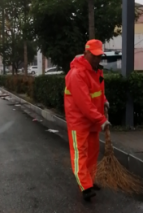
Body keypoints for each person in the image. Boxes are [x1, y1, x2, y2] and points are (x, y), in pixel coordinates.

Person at [64, 39, 111, 201]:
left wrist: (104, 100)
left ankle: (89, 180)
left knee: (92, 152)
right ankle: (85, 186)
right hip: (79, 121)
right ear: (86, 53)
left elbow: (97, 91)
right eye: (94, 56)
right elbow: (84, 104)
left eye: (99, 56)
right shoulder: (77, 74)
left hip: (92, 121)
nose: (97, 59)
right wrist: (101, 120)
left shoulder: (96, 71)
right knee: (80, 154)